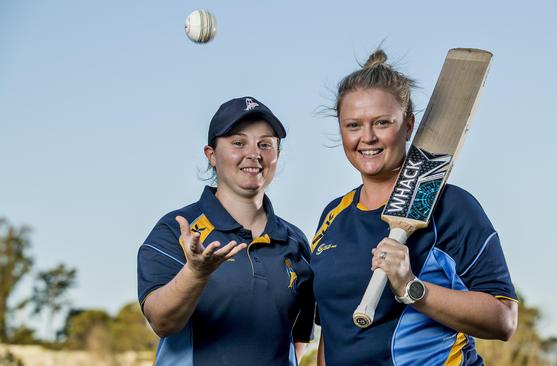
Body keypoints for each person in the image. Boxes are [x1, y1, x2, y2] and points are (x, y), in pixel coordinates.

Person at [311, 50, 518, 365]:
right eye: (353, 125)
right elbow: (333, 331)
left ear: (408, 125)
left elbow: (504, 320)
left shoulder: (450, 206)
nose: (367, 137)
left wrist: (410, 285)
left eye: (382, 123)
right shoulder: (333, 216)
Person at [137, 96, 314, 366]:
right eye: (238, 143)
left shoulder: (296, 241)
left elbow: (297, 337)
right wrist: (196, 273)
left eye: (265, 144)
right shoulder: (176, 229)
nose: (253, 154)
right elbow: (162, 322)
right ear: (211, 155)